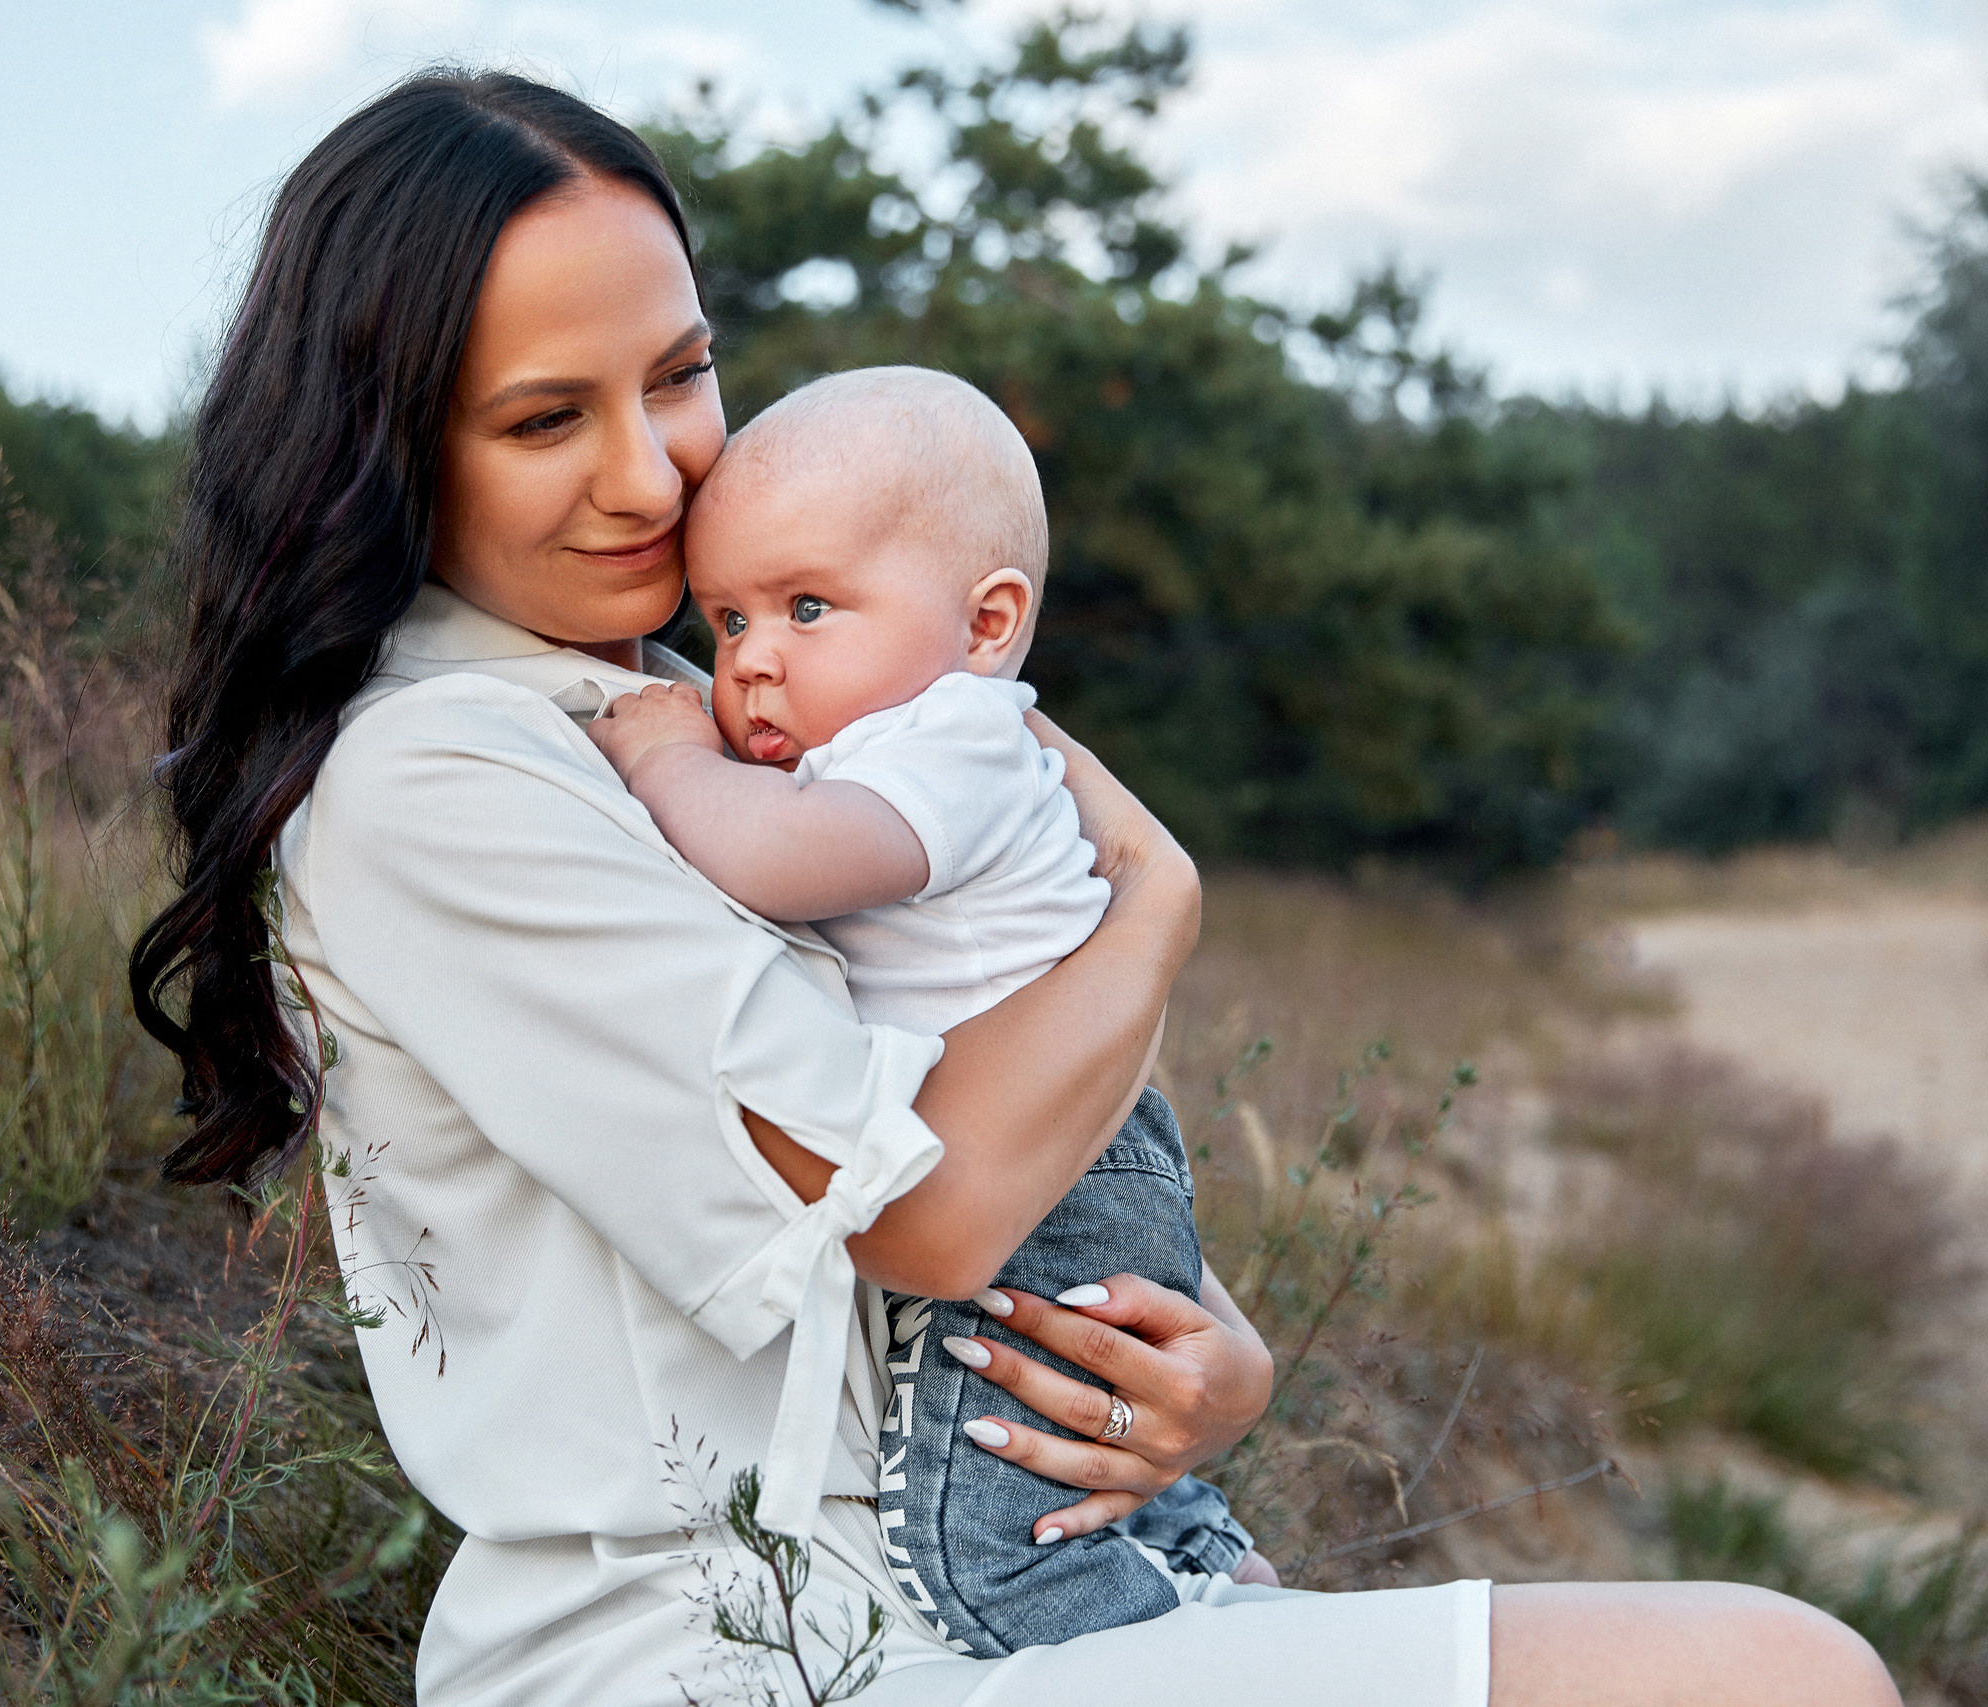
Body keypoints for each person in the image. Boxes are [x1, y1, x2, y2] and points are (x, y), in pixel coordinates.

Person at [130, 67, 1900, 1707]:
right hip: (743, 1647)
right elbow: (922, 1215)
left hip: (996, 1572)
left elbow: (951, 1097)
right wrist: (1160, 911)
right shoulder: (442, 774)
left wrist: (1218, 1364)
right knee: (1772, 1678)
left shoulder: (683, 705)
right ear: (384, 445)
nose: (654, 469)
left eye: (678, 375)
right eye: (541, 418)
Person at [583, 365, 1272, 1655]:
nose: (754, 663)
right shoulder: (892, 740)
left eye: (806, 606)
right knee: (1072, 1455)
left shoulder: (952, 745)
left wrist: (668, 754)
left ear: (986, 624)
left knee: (980, 1544)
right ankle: (1198, 1556)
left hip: (1049, 1172)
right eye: (725, 621)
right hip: (1064, 1139)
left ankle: (1182, 1637)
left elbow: (777, 859)